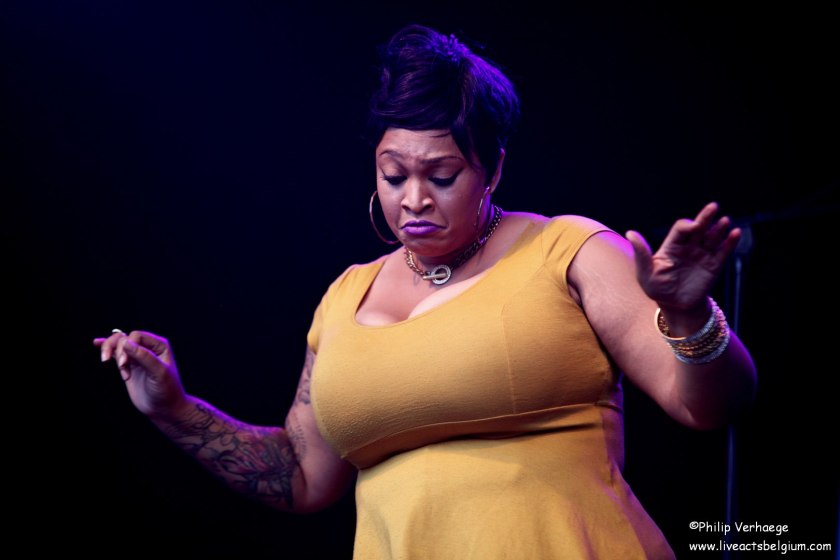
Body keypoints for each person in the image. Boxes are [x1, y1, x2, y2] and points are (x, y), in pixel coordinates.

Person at [94, 24, 757, 559]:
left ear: (493, 169)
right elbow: (300, 476)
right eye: (393, 175)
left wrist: (688, 314)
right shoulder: (346, 296)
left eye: (441, 175)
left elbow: (711, 405)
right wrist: (175, 409)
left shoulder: (567, 249)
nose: (413, 199)